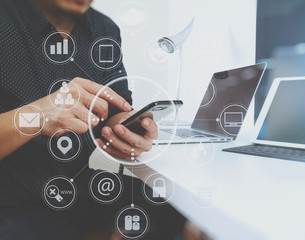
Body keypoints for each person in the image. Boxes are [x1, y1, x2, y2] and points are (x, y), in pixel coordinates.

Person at [0, 0, 185, 239]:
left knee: (175, 209)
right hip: (11, 201)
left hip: (80, 191)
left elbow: (115, 108)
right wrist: (37, 116)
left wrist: (127, 129)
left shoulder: (103, 29)